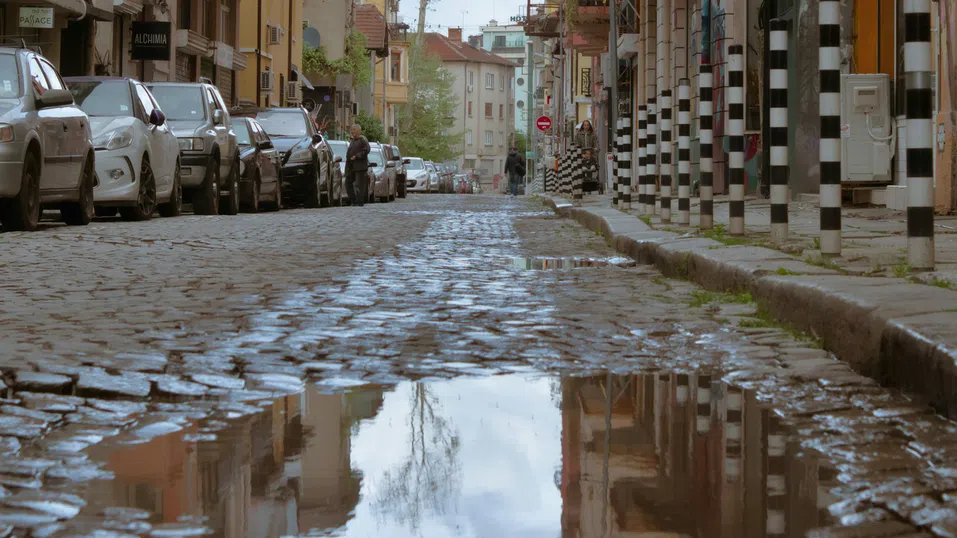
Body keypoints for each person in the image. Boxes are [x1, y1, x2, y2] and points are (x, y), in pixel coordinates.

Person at [345, 124, 370, 206]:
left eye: (354, 130)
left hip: (360, 167)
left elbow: (366, 150)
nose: (352, 131)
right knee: (348, 182)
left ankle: (359, 201)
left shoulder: (362, 140)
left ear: (359, 131)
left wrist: (357, 156)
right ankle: (353, 199)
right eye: (351, 130)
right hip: (352, 166)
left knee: (359, 185)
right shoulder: (352, 141)